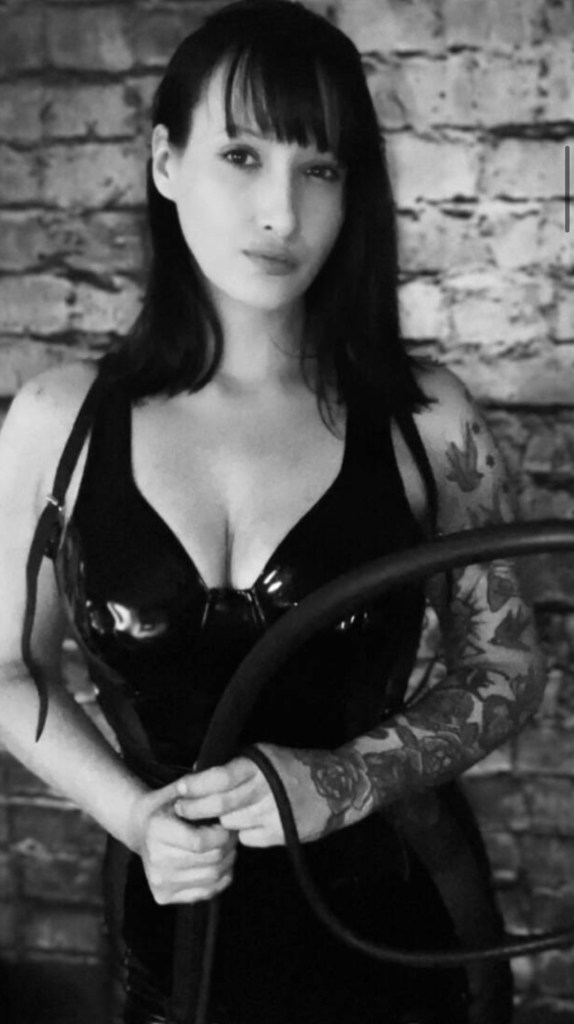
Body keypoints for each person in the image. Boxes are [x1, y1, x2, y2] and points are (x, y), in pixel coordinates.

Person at [0, 2, 544, 1022]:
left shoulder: (425, 419)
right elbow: (7, 666)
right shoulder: (55, 422)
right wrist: (134, 816)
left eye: (320, 168)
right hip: (175, 923)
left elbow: (506, 666)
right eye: (242, 155)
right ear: (165, 162)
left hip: (398, 916)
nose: (282, 214)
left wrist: (339, 780)